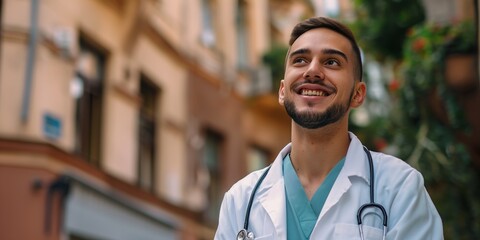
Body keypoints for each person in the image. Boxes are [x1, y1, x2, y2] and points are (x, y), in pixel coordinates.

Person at [214, 17, 443, 240]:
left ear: (358, 94)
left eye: (331, 62)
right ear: (282, 91)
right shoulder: (240, 201)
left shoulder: (399, 188)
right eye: (300, 60)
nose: (312, 71)